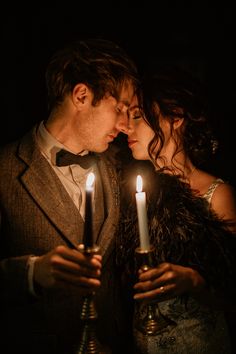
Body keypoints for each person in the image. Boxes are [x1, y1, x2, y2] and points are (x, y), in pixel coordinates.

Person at [0, 38, 140, 354]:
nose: (124, 124)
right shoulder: (4, 170)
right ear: (81, 95)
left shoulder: (119, 164)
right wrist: (32, 273)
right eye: (119, 108)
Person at [116, 66, 236, 353]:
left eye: (137, 115)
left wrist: (194, 282)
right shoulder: (132, 190)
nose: (125, 127)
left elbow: (232, 293)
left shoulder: (218, 195)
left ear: (176, 118)